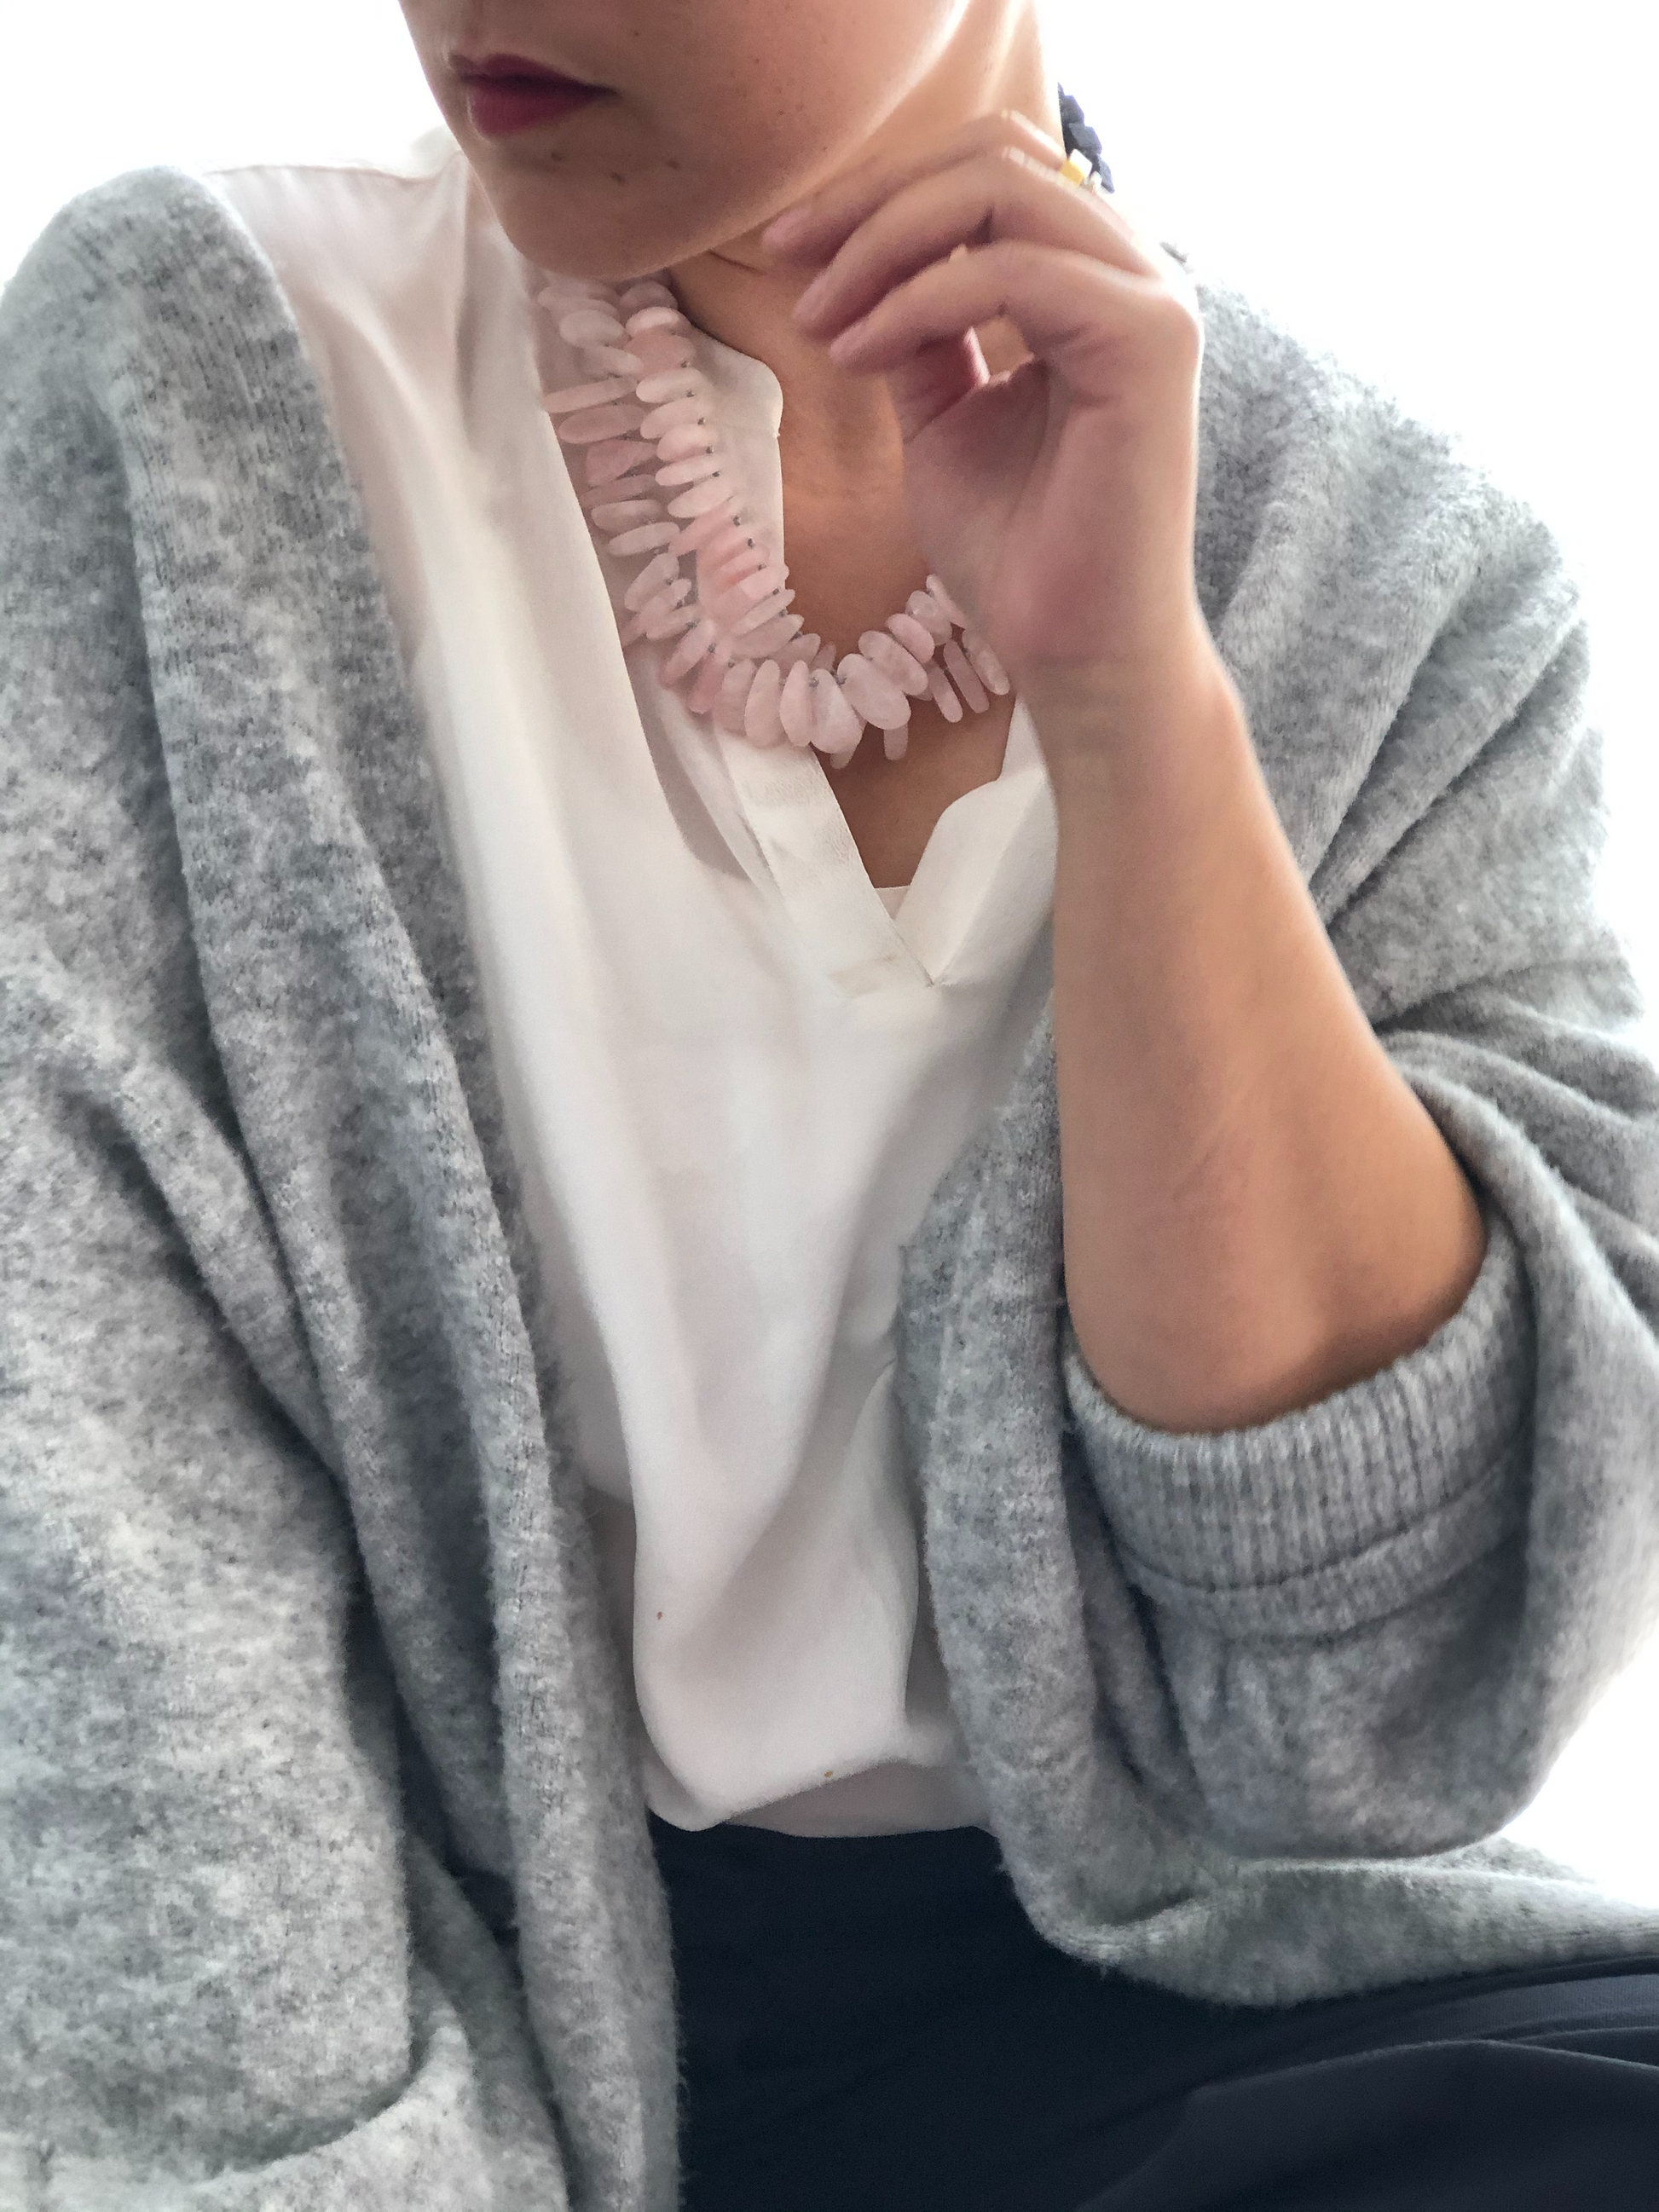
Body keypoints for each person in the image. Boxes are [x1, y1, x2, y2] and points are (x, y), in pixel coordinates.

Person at [3, 0, 1658, 2205]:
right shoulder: (201, 384)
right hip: (427, 2010)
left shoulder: (1404, 584)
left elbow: (1368, 1732)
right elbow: (95, 1577)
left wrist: (1137, 709)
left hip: (1190, 2016)